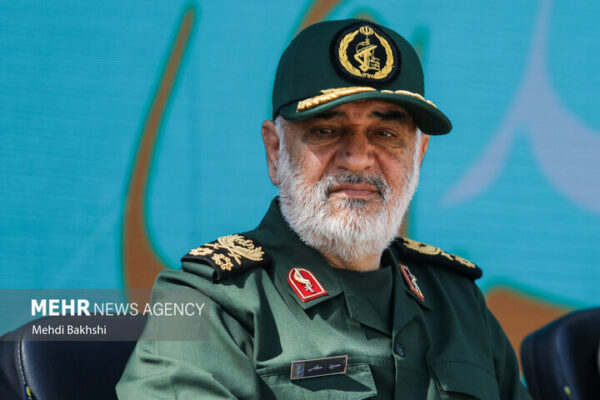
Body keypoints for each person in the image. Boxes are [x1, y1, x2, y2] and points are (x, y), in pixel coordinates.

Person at [117, 19, 532, 399]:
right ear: (275, 151)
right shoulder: (202, 298)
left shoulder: (459, 302)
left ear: (419, 154)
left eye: (386, 133)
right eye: (326, 130)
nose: (358, 158)